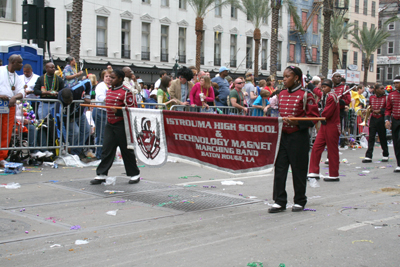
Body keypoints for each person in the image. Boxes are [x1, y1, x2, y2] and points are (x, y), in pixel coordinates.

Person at [269, 66, 319, 213]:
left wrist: (297, 122)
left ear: (296, 78)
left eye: (287, 76)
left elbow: (314, 118)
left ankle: (299, 200)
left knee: (299, 169)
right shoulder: (281, 93)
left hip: (298, 136)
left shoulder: (306, 95)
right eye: (283, 76)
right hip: (282, 136)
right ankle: (279, 201)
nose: (283, 79)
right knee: (280, 169)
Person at [91, 69, 140, 185]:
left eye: (113, 78)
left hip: (122, 124)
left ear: (120, 79)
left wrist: (118, 112)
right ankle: (101, 174)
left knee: (126, 151)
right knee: (107, 149)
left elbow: (132, 110)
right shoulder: (109, 91)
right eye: (109, 77)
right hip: (110, 124)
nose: (110, 79)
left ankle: (134, 174)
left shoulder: (127, 92)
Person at [307, 79, 340, 182]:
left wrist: (318, 113)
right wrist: (311, 85)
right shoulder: (325, 95)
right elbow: (318, 92)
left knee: (332, 150)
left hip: (332, 125)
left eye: (325, 87)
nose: (323, 89)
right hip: (324, 125)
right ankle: (313, 171)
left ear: (330, 87)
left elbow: (327, 113)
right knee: (316, 147)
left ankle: (334, 174)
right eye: (323, 87)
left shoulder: (332, 97)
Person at [57, 79, 92, 158]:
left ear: (72, 96)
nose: (69, 102)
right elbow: (60, 124)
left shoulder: (77, 88)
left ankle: (77, 150)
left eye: (70, 100)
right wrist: (65, 143)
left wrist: (87, 96)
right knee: (75, 132)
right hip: (68, 117)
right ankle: (73, 151)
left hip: (79, 113)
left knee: (87, 130)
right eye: (67, 101)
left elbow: (88, 82)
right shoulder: (59, 104)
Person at [0, 55, 24, 167]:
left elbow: (21, 92)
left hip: (9, 107)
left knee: (6, 131)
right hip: (1, 103)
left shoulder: (17, 77)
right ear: (13, 62)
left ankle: (1, 157)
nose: (21, 65)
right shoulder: (1, 71)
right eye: (20, 63)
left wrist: (14, 97)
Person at [363, 84, 389, 163]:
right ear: (376, 90)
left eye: (383, 88)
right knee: (371, 137)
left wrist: (381, 111)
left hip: (381, 118)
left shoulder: (386, 98)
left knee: (382, 137)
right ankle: (368, 156)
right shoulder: (371, 97)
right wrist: (367, 110)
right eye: (381, 89)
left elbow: (388, 109)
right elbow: (370, 107)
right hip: (373, 118)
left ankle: (385, 154)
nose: (383, 90)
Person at [92, 69, 112, 160]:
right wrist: (111, 99)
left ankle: (105, 153)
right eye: (106, 76)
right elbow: (100, 97)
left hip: (108, 112)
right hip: (100, 111)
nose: (108, 78)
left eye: (110, 76)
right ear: (103, 77)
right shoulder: (101, 86)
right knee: (101, 134)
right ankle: (99, 155)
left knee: (107, 134)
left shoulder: (112, 86)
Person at [385, 76, 400, 172]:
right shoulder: (392, 95)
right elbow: (388, 109)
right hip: (395, 120)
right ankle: (399, 163)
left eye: (397, 83)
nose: (395, 85)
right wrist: (387, 120)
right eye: (394, 83)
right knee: (396, 142)